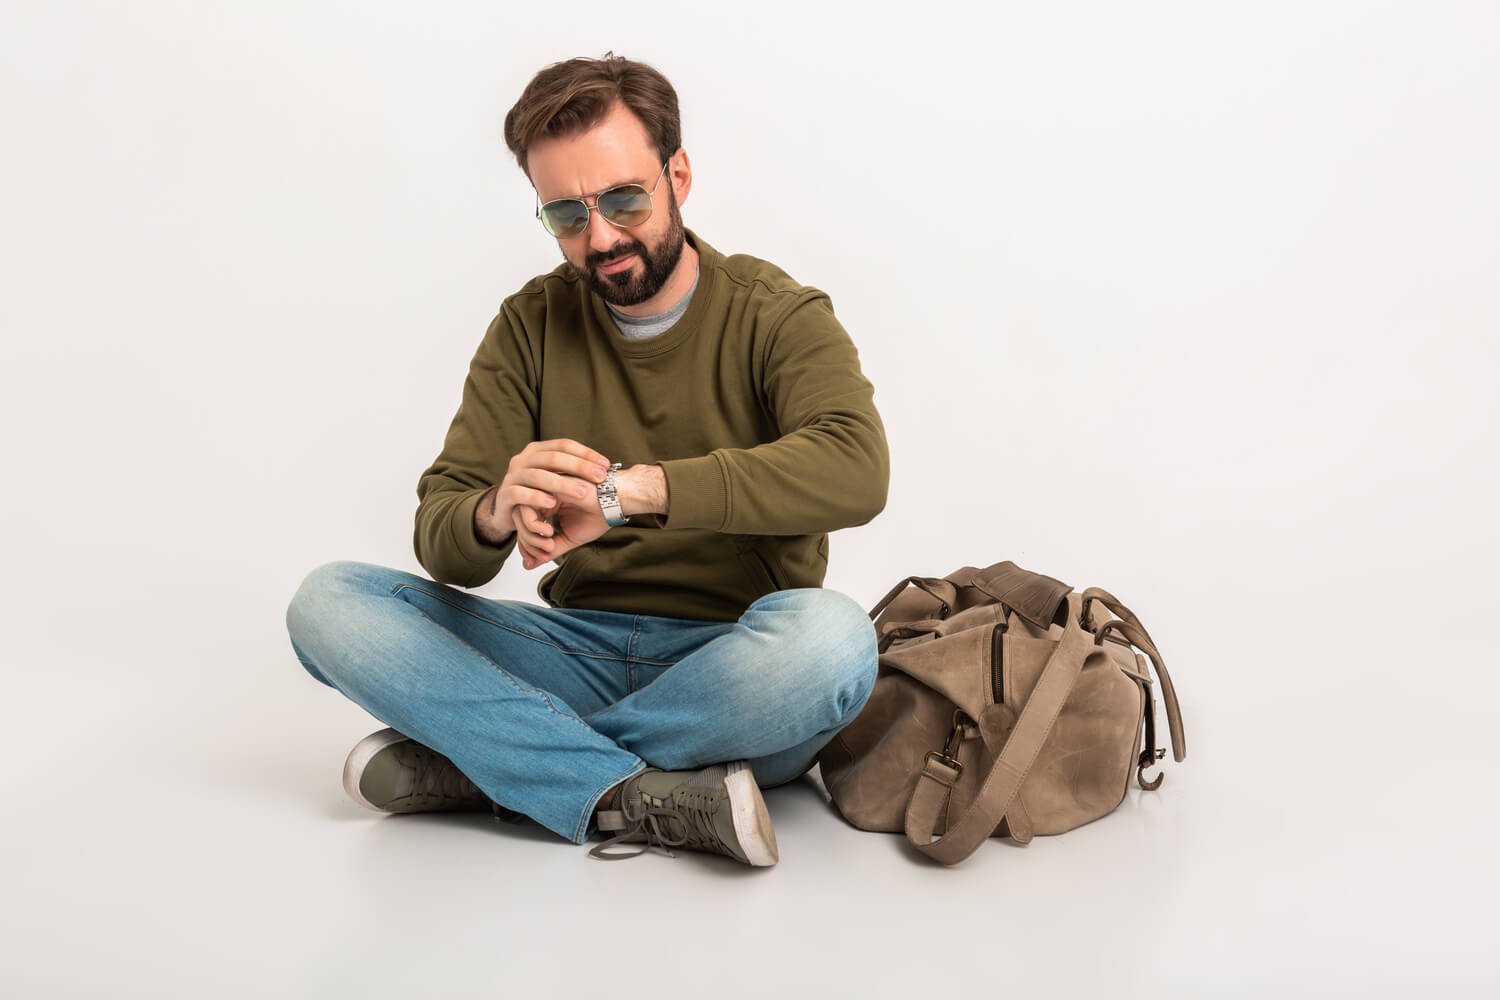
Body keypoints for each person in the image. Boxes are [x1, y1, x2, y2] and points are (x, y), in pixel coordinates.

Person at [284, 52, 890, 867]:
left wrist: (634, 491)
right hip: (570, 653)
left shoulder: (776, 315)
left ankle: (492, 765)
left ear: (678, 174)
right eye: (566, 214)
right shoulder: (530, 323)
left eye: (624, 199)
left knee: (836, 642)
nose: (600, 237)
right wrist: (494, 509)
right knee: (326, 603)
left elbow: (856, 467)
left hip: (736, 672)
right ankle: (627, 791)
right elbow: (443, 535)